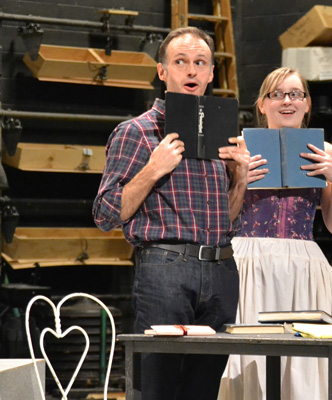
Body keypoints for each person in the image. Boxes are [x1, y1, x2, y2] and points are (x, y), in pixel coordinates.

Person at [92, 26, 249, 400]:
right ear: (163, 71)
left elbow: (226, 221)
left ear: (212, 73)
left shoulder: (222, 135)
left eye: (200, 63)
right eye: (181, 62)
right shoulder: (138, 132)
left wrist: (240, 180)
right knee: (156, 388)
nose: (191, 71)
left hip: (221, 269)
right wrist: (153, 168)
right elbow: (105, 214)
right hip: (166, 268)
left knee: (203, 390)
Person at [218, 67, 332, 400]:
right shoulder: (238, 148)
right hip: (249, 264)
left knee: (305, 367)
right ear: (262, 105)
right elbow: (222, 221)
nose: (287, 101)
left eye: (295, 94)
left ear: (307, 104)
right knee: (249, 359)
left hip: (304, 265)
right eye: (276, 94)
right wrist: (240, 180)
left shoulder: (325, 150)